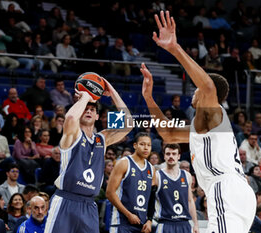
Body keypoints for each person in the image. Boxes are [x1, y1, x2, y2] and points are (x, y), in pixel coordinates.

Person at [141, 11, 256, 233]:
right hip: (234, 191)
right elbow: (168, 135)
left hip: (225, 188)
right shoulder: (203, 125)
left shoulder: (214, 113)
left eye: (198, 88)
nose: (194, 90)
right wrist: (148, 98)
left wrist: (174, 49)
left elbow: (208, 86)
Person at [44, 75, 132, 233]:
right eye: (86, 109)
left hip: (89, 205)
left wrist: (111, 91)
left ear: (98, 116)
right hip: (66, 200)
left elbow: (129, 123)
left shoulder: (103, 138)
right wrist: (84, 97)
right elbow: (70, 117)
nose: (89, 111)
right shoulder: (71, 134)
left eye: (92, 109)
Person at [106, 132, 155, 233]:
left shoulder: (152, 169)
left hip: (141, 225)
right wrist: (128, 214)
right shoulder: (124, 163)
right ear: (135, 145)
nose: (146, 148)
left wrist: (149, 220)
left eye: (148, 145)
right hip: (121, 223)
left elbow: (151, 198)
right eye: (142, 144)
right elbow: (110, 193)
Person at [151, 143, 199, 233]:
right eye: (168, 154)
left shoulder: (187, 176)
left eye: (174, 154)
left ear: (179, 156)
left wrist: (195, 224)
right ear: (164, 156)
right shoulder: (157, 176)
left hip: (184, 224)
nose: (171, 156)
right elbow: (149, 200)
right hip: (165, 223)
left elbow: (190, 201)